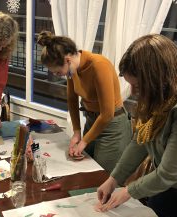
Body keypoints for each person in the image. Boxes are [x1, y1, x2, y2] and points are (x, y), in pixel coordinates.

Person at [96, 34, 177, 217]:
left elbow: (168, 174)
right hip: (166, 183)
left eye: (137, 86)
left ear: (157, 78)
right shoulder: (160, 94)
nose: (134, 92)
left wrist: (128, 190)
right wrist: (114, 179)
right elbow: (140, 140)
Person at [37, 31, 131, 173]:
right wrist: (76, 132)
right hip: (92, 121)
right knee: (86, 168)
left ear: (67, 60)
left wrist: (84, 141)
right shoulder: (72, 69)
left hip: (113, 126)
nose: (58, 75)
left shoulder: (99, 65)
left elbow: (107, 114)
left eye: (57, 72)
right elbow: (72, 99)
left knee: (102, 175)